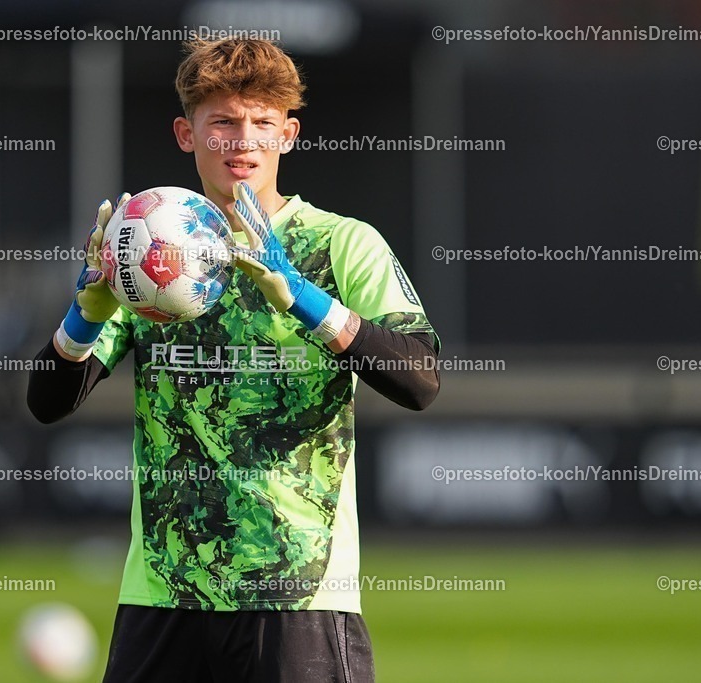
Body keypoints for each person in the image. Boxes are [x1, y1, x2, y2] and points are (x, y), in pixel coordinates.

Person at [28, 37, 441, 683]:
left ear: (289, 134)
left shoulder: (340, 243)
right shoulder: (145, 250)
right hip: (163, 592)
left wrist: (303, 298)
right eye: (221, 121)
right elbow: (47, 402)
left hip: (298, 594)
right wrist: (88, 312)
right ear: (185, 133)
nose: (241, 140)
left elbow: (420, 380)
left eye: (261, 123)